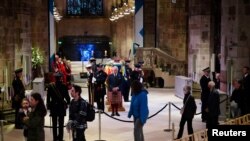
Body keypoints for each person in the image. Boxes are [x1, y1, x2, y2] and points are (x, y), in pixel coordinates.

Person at [47, 72, 71, 141]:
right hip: (61, 106)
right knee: (61, 124)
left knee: (54, 124)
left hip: (53, 106)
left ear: (55, 78)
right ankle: (60, 138)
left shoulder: (50, 86)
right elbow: (67, 97)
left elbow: (48, 98)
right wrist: (67, 103)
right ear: (61, 78)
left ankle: (55, 138)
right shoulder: (64, 86)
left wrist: (48, 105)